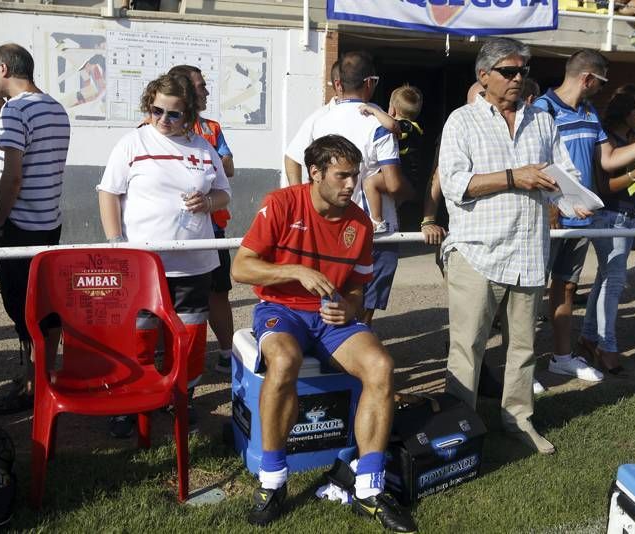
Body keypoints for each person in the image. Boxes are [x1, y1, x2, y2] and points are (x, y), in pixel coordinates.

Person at [230, 135, 417, 532]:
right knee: (284, 361)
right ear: (315, 173)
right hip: (281, 310)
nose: (352, 185)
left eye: (356, 176)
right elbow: (241, 269)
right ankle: (272, 481)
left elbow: (355, 289)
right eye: (342, 176)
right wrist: (294, 271)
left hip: (331, 318)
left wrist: (346, 307)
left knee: (381, 365)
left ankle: (368, 489)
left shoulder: (360, 222)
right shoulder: (281, 203)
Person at [439, 37, 589, 455]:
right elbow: (455, 185)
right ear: (483, 76)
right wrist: (513, 176)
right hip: (477, 252)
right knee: (467, 349)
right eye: (508, 71)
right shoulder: (461, 122)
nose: (518, 78)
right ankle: (460, 430)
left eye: (523, 70)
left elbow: (564, 172)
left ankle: (519, 420)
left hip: (528, 253)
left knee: (523, 349)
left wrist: (572, 199)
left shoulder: (542, 121)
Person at [97, 73, 231, 437]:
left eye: (173, 114)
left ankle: (179, 398)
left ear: (189, 114)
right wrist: (116, 241)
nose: (163, 120)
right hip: (143, 264)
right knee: (138, 336)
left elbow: (224, 193)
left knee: (188, 337)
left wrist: (207, 201)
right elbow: (108, 193)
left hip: (194, 263)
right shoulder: (132, 142)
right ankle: (129, 399)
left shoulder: (204, 149)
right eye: (156, 110)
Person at [534, 49, 635, 385]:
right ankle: (521, 368)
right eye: (600, 82)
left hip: (581, 222)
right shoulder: (542, 109)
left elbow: (609, 160)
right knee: (530, 293)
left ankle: (562, 358)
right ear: (588, 78)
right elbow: (533, 162)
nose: (601, 89)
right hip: (549, 220)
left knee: (566, 290)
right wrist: (553, 207)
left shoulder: (589, 111)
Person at [0, 43, 71, 415]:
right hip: (49, 221)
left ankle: (33, 386)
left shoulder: (17, 112)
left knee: (21, 309)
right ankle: (42, 376)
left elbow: (14, 176)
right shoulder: (54, 107)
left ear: (3, 69)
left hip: (20, 224)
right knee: (46, 307)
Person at [311, 51, 413, 326]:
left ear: (339, 83)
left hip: (331, 222)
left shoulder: (320, 121)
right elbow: (392, 183)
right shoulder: (377, 124)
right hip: (373, 230)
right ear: (370, 82)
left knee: (334, 298)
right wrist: (410, 194)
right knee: (363, 309)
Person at [579, 85, 635, 375]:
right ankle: (607, 346)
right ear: (624, 112)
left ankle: (589, 338)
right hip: (608, 217)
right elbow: (604, 188)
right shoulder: (607, 141)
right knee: (614, 282)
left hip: (625, 217)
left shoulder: (628, 140)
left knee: (604, 279)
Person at [168, 64, 235, 374]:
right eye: (200, 86)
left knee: (218, 291)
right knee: (170, 297)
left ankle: (226, 353)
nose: (206, 91)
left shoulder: (211, 128)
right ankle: (169, 361)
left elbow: (228, 168)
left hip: (212, 229)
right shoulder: (157, 127)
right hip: (170, 231)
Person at [359, 85, 424, 233]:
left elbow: (391, 124)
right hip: (408, 178)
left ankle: (377, 220)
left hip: (406, 178)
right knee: (394, 207)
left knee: (370, 182)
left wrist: (374, 110)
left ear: (393, 110)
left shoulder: (407, 126)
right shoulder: (414, 127)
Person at [284, 60, 342, 186]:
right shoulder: (319, 118)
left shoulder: (375, 115)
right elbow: (292, 157)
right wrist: (299, 197)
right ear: (338, 84)